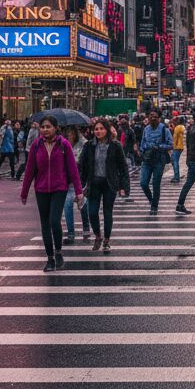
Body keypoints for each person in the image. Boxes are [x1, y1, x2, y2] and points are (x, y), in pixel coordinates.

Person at [19, 114, 82, 272]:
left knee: (54, 221)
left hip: (59, 188)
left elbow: (73, 170)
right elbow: (29, 170)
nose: (45, 130)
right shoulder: (36, 145)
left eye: (48, 127)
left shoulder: (64, 145)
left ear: (55, 128)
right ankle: (50, 258)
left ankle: (58, 251)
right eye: (43, 127)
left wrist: (79, 191)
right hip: (41, 190)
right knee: (45, 224)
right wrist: (24, 192)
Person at [78, 118, 130, 251]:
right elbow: (82, 166)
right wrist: (80, 186)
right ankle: (98, 236)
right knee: (92, 212)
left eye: (101, 129)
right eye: (96, 129)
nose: (99, 131)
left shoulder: (115, 145)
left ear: (106, 130)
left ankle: (106, 240)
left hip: (109, 184)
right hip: (94, 184)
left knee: (108, 213)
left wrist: (123, 187)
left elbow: (123, 167)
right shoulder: (89, 146)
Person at [138, 108, 173, 214]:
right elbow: (142, 143)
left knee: (155, 184)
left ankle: (154, 206)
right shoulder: (146, 129)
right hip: (147, 160)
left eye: (155, 116)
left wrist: (159, 146)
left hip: (159, 160)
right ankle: (151, 200)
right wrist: (144, 149)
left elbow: (171, 145)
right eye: (151, 116)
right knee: (143, 183)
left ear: (159, 118)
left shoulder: (164, 130)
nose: (152, 118)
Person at [62, 124, 90, 242]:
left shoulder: (84, 144)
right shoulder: (62, 144)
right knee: (67, 205)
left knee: (83, 204)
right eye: (67, 133)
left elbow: (87, 164)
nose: (69, 135)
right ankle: (71, 233)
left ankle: (86, 227)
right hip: (67, 182)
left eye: (71, 132)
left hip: (80, 180)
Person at [171, 116, 185, 182]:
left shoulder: (177, 128)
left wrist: (173, 146)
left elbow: (175, 138)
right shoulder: (181, 127)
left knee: (174, 161)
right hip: (180, 146)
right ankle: (176, 176)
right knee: (174, 161)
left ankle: (176, 177)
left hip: (177, 147)